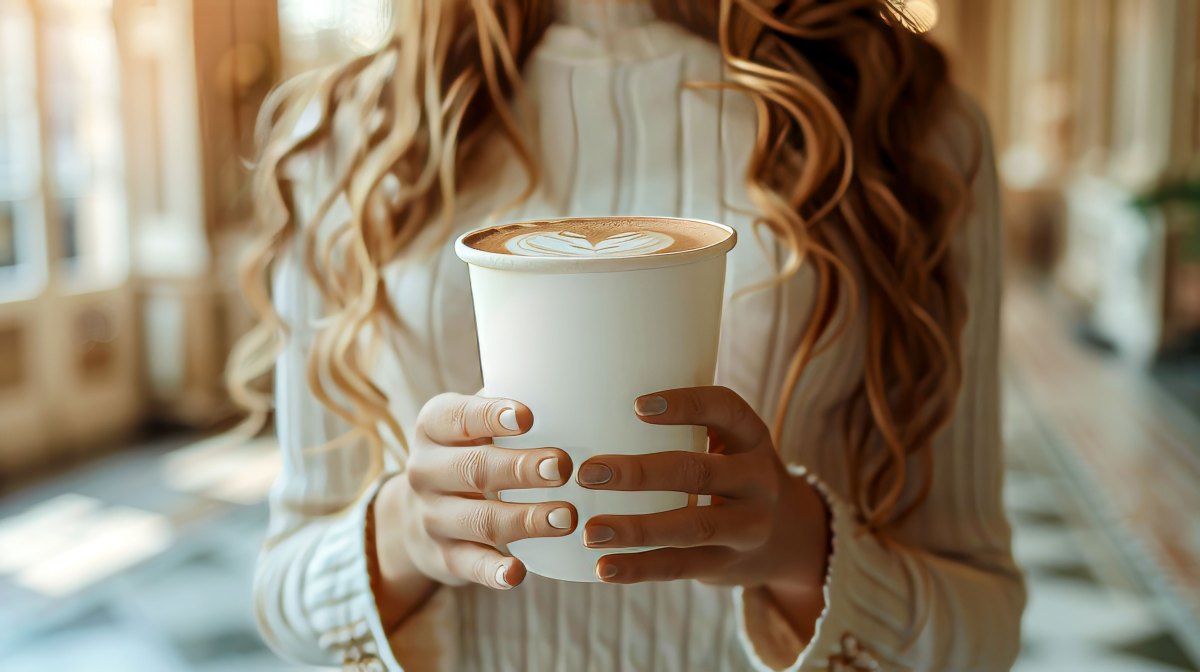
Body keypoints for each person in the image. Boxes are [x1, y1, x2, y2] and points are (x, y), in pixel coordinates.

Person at [235, 1, 1025, 669]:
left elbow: (983, 621)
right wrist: (411, 533)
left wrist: (792, 543)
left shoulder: (911, 128)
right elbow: (281, 594)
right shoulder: (347, 135)